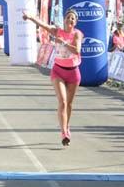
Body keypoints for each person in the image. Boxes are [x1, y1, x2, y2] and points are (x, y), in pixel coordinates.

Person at [23, 8, 83, 146]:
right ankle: (64, 133)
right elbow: (43, 24)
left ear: (75, 22)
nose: (70, 20)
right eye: (68, 17)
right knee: (62, 101)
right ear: (64, 19)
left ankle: (66, 126)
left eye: (73, 18)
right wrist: (30, 16)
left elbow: (77, 50)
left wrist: (63, 42)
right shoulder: (57, 31)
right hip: (58, 71)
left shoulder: (77, 34)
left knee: (69, 104)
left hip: (73, 72)